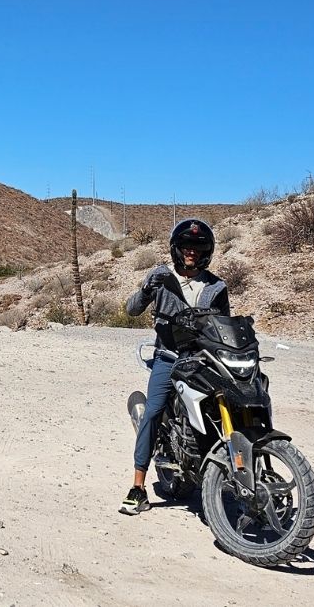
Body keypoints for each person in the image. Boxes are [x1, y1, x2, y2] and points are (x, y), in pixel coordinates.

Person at [119, 218, 230, 516]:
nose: (191, 251)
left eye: (198, 247)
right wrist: (146, 289)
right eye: (186, 246)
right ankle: (138, 488)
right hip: (168, 356)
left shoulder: (216, 286)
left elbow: (225, 326)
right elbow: (132, 309)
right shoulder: (161, 276)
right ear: (176, 249)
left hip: (202, 360)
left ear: (207, 251)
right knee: (153, 412)